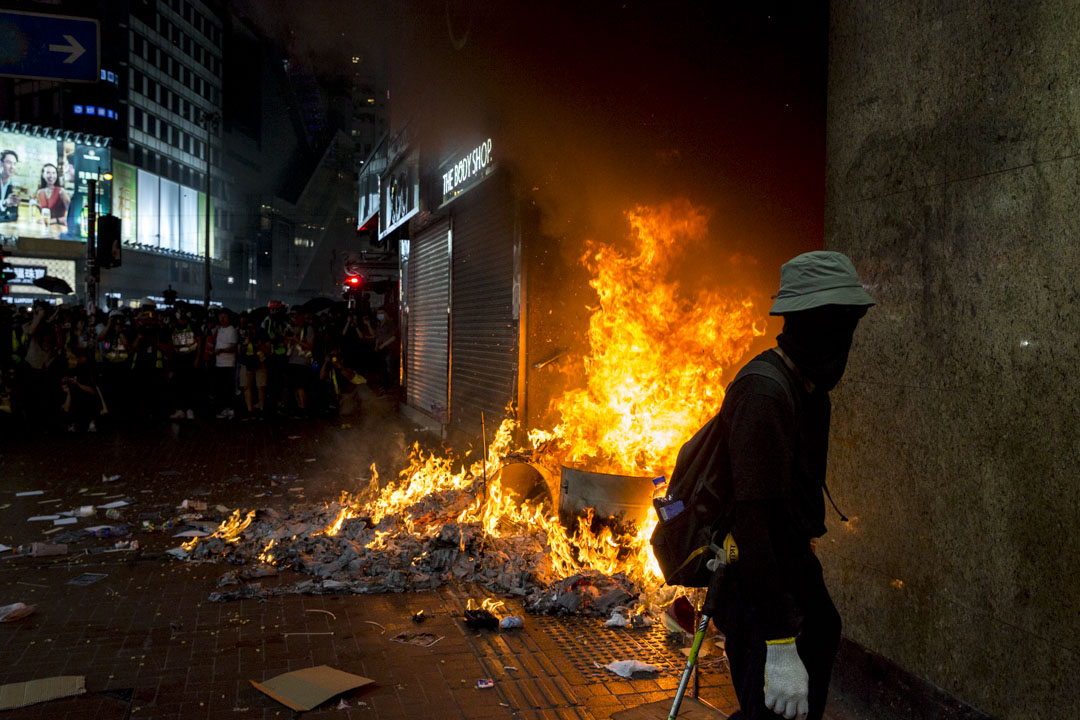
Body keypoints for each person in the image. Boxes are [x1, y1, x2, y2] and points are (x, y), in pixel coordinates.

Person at [704, 251, 874, 720]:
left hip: (789, 571)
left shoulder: (808, 388)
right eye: (837, 323)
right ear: (805, 322)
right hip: (760, 591)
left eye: (851, 324)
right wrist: (779, 646)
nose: (845, 340)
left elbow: (785, 505)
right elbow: (753, 525)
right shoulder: (764, 394)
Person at [212, 309, 238, 419]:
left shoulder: (231, 330)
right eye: (220, 316)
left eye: (224, 316)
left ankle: (230, 409)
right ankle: (224, 409)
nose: (222, 319)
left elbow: (233, 347)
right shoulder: (220, 329)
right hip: (219, 363)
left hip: (228, 364)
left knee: (228, 388)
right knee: (221, 388)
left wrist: (221, 351)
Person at [0, 149, 19, 222]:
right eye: (9, 162)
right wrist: (4, 203)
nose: (12, 167)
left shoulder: (12, 186)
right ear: (1, 163)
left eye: (14, 164)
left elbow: (14, 215)